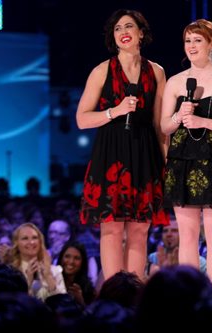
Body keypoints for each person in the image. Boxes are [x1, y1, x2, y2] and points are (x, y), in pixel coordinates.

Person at [76, 9, 169, 281]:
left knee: (140, 230)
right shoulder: (101, 70)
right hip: (111, 153)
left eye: (129, 26)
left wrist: (166, 163)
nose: (123, 32)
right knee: (113, 229)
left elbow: (158, 124)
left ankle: (135, 291)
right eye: (117, 28)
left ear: (141, 33)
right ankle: (114, 291)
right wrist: (114, 111)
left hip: (144, 153)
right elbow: (82, 119)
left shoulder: (157, 72)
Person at [160, 19, 212, 289]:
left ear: (211, 44)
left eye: (197, 40)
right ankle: (191, 294)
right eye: (188, 41)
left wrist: (203, 122)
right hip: (182, 159)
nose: (192, 46)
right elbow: (163, 126)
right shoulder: (175, 82)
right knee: (188, 234)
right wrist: (178, 116)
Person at [10, 223, 67, 301]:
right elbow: (12, 305)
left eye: (35, 238)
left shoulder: (55, 271)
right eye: (25, 238)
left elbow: (64, 304)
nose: (31, 242)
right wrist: (28, 282)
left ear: (40, 242)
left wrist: (48, 276)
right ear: (16, 244)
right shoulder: (10, 273)